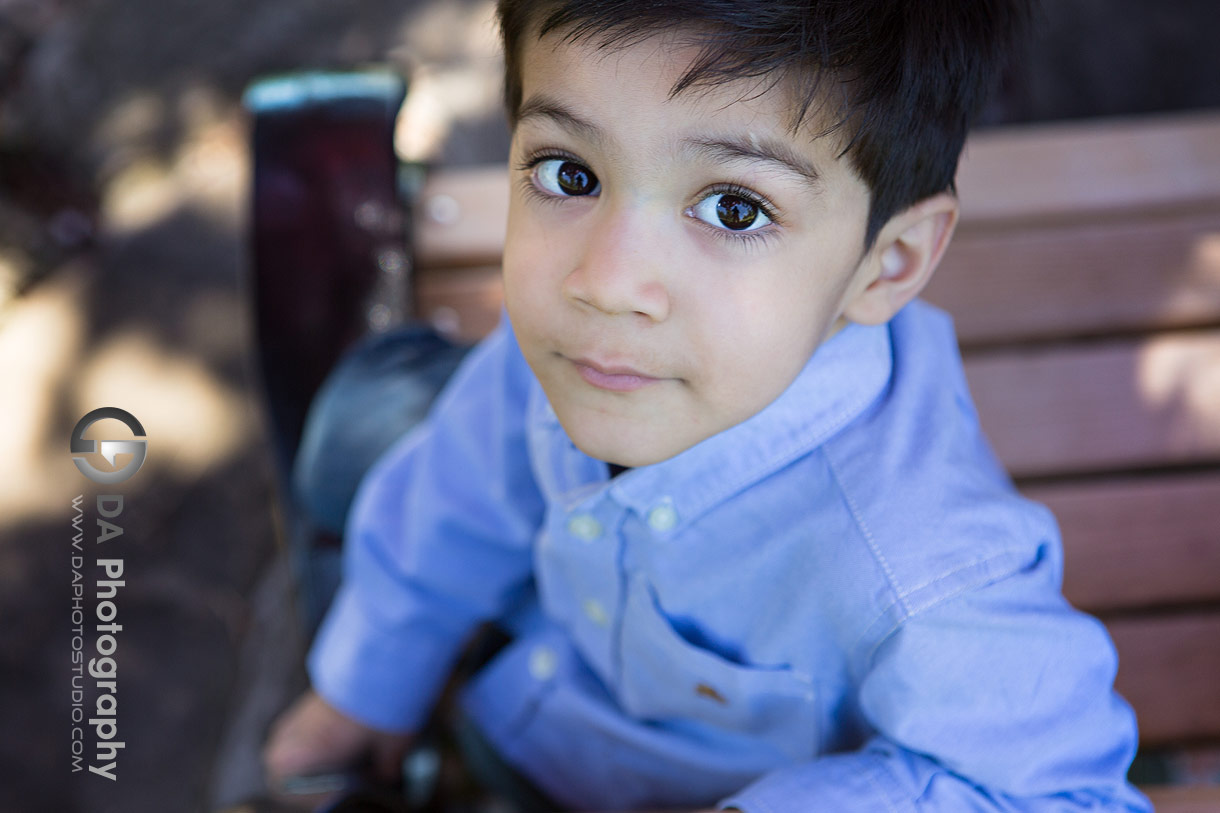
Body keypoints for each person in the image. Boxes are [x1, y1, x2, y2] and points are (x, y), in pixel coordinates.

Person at [264, 1, 1152, 810]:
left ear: (890, 262)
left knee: (371, 421)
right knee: (369, 424)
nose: (607, 284)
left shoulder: (920, 563)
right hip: (533, 713)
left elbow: (1064, 794)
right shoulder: (586, 353)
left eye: (733, 208)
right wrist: (365, 686)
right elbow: (460, 491)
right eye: (569, 173)